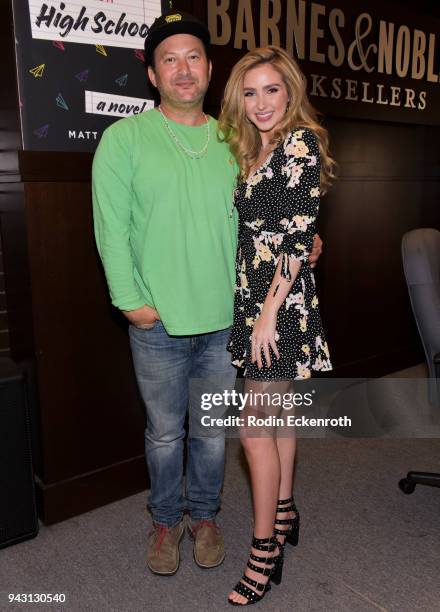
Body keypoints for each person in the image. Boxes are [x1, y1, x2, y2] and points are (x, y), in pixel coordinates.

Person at [92, 11, 323, 578]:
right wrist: (131, 303)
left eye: (193, 56)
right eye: (169, 59)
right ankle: (166, 521)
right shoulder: (124, 139)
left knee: (215, 433)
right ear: (153, 74)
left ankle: (207, 517)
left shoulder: (236, 138)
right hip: (158, 322)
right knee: (167, 433)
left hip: (230, 320)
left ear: (209, 67)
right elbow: (109, 228)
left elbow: (272, 213)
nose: (183, 69)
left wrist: (308, 240)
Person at [218, 46, 335, 605]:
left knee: (253, 430)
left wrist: (267, 314)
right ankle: (284, 511)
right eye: (250, 92)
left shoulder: (299, 142)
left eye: (271, 90)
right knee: (279, 416)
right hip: (254, 297)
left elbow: (295, 236)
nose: (262, 103)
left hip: (276, 305)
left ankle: (263, 551)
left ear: (290, 92)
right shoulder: (253, 147)